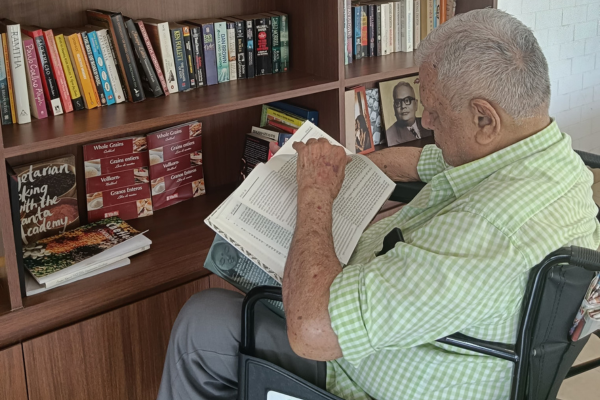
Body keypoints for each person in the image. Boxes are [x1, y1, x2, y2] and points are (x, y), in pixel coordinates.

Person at [157, 9, 600, 400]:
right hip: (466, 342)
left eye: (436, 113)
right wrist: (376, 164)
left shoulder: (488, 231)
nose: (424, 122)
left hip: (368, 373)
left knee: (204, 320)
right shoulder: (552, 159)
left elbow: (312, 332)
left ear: (485, 118)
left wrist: (315, 193)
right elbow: (438, 162)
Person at [385, 81, 433, 146]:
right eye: (398, 102)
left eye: (407, 100)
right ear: (394, 108)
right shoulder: (390, 134)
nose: (403, 106)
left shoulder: (428, 122)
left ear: (416, 104)